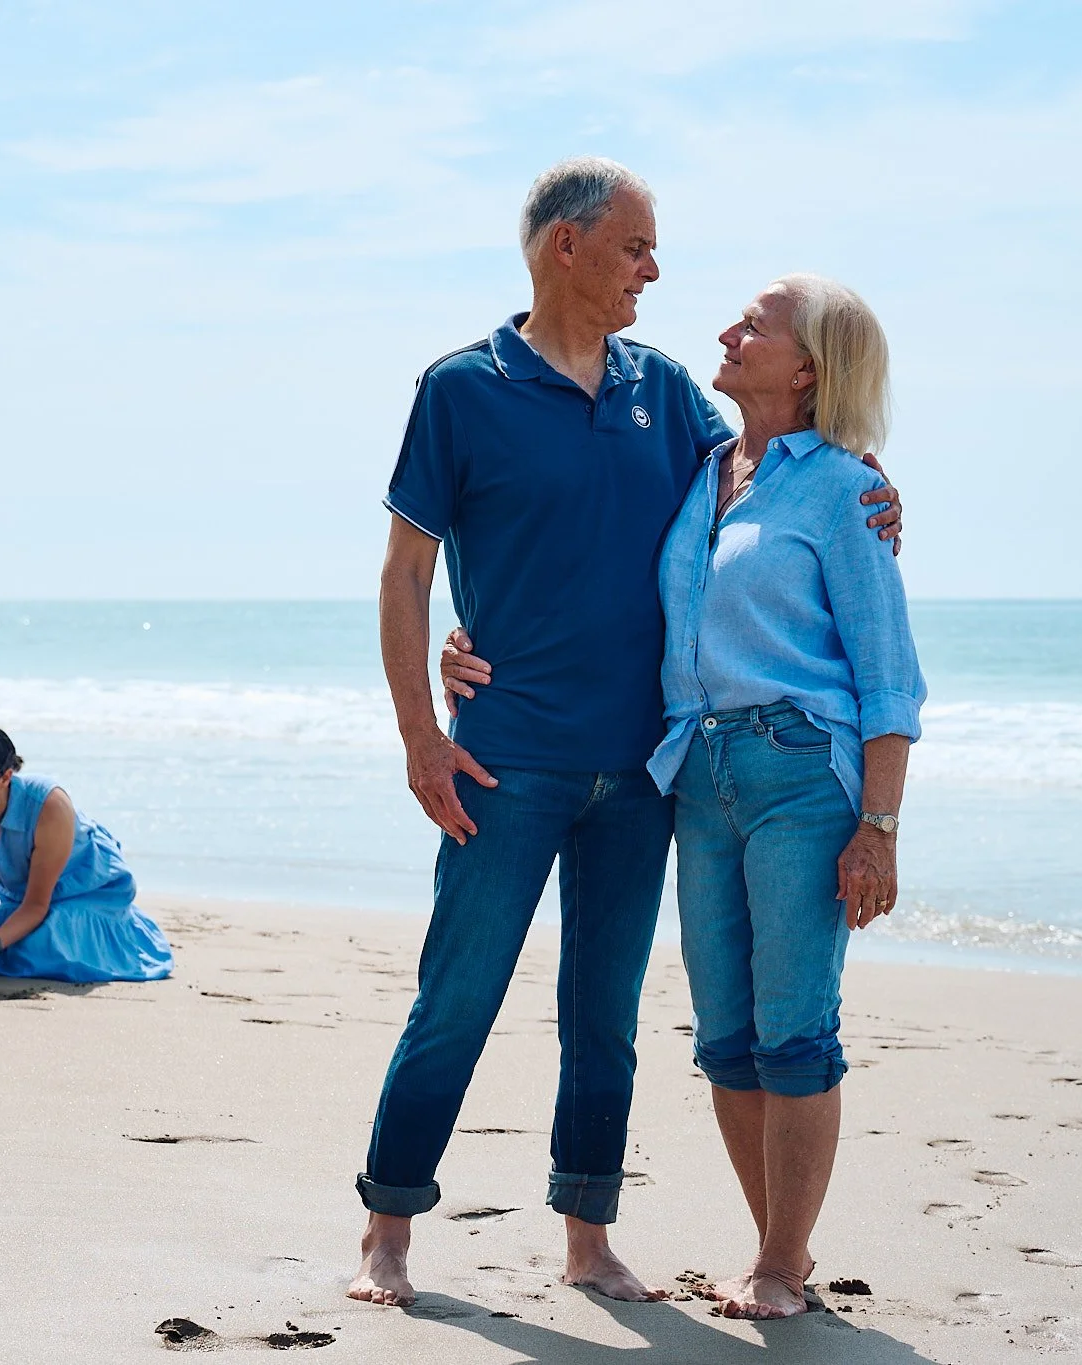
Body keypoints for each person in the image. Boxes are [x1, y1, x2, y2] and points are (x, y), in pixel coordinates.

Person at [348, 158, 903, 1309]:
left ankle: (586, 1237)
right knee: (456, 993)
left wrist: (879, 483)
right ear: (566, 246)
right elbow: (407, 572)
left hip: (647, 770)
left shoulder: (666, 398)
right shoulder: (460, 388)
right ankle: (388, 1230)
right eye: (636, 249)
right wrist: (418, 728)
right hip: (503, 757)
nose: (654, 271)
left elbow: (774, 464)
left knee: (604, 1018)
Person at [0, 723, 172, 984]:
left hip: (87, 889)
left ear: (5, 777)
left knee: (44, 943)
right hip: (23, 896)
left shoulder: (49, 805)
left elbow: (37, 904)